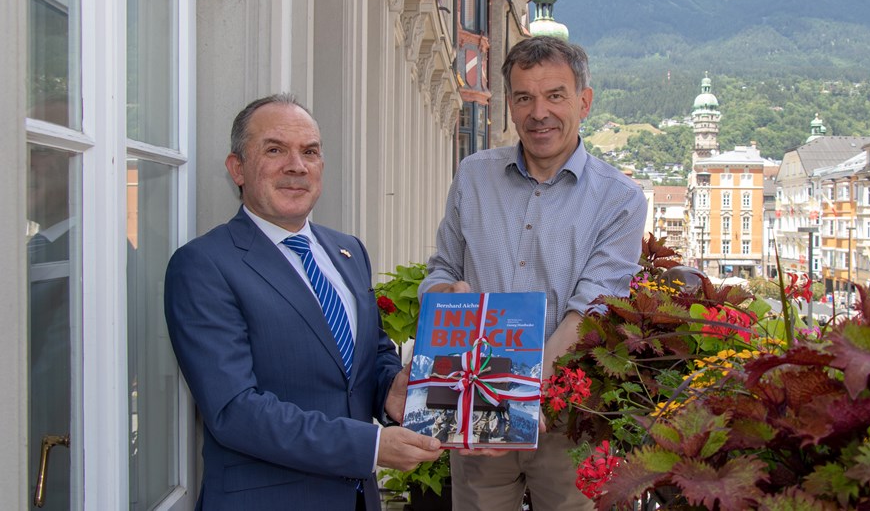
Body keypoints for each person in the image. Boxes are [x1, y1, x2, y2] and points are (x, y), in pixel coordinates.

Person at [164, 94, 442, 511]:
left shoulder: (348, 251)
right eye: (275, 150)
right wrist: (370, 446)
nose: (296, 165)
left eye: (309, 151)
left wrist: (391, 391)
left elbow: (369, 355)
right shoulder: (204, 266)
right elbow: (235, 411)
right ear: (237, 169)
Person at [420, 36, 648, 510]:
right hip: (479, 411)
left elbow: (589, 313)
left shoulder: (620, 199)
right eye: (524, 97)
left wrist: (517, 397)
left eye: (555, 96)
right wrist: (446, 295)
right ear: (510, 106)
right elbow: (442, 266)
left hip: (567, 419)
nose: (538, 112)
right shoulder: (473, 175)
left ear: (583, 102)